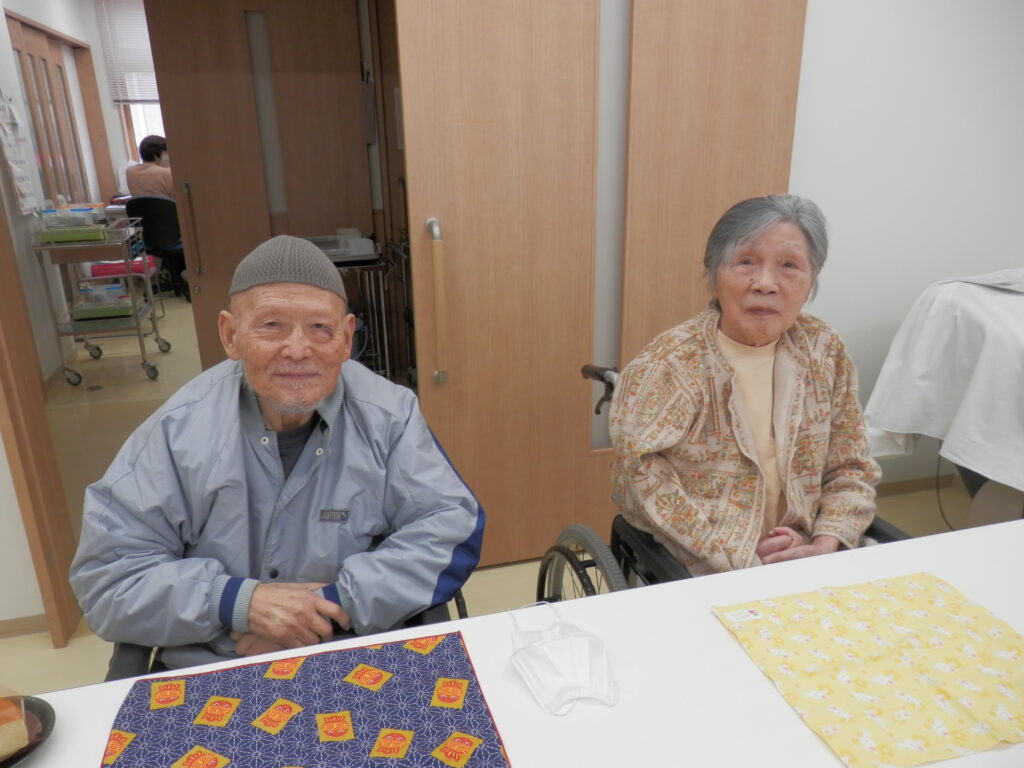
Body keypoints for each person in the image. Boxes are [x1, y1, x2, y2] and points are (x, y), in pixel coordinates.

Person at [70, 235, 484, 669]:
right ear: (230, 335)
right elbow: (108, 580)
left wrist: (329, 605)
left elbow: (449, 527)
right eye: (271, 325)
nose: (298, 350)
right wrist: (238, 604)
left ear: (346, 338)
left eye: (320, 328)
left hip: (355, 647)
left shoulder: (390, 416)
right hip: (219, 659)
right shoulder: (177, 433)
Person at [609, 194, 880, 576]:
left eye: (789, 265)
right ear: (714, 275)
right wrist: (740, 555)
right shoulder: (669, 365)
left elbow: (851, 464)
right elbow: (638, 480)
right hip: (703, 559)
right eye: (746, 262)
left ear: (811, 279)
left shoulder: (824, 350)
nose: (765, 283)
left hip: (809, 547)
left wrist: (824, 542)